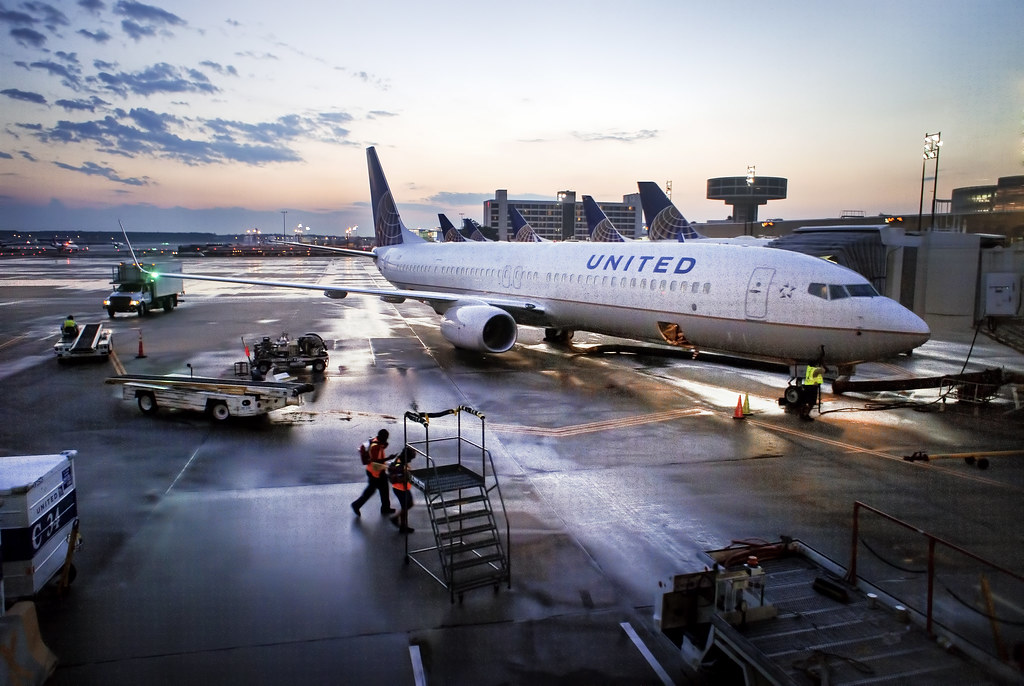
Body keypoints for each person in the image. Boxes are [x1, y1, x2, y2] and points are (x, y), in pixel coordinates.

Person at [351, 429, 394, 517]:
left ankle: (386, 508)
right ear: (382, 437)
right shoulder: (375, 446)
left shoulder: (377, 441)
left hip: (379, 471)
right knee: (370, 491)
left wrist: (385, 445)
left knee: (384, 490)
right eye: (385, 438)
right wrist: (388, 458)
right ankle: (356, 505)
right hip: (374, 472)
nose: (386, 439)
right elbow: (375, 461)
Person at [388, 446, 417, 534]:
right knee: (406, 506)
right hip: (400, 489)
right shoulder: (400, 465)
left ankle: (400, 523)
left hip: (402, 489)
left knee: (408, 505)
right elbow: (401, 478)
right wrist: (407, 477)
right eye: (411, 458)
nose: (411, 460)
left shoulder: (400, 460)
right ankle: (400, 523)